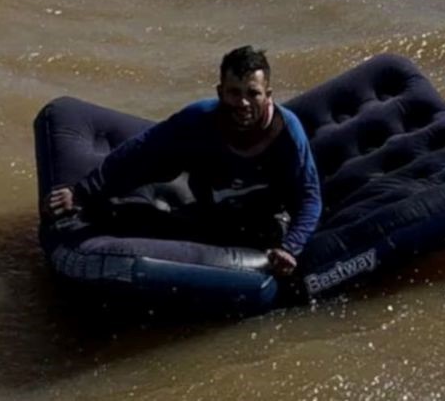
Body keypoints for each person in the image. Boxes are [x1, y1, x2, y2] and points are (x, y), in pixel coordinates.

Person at [47, 46, 322, 277]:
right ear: (220, 92)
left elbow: (309, 197)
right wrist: (82, 192)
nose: (244, 103)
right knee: (139, 190)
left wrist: (290, 246)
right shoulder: (200, 118)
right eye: (234, 92)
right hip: (208, 217)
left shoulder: (287, 133)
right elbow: (138, 151)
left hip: (264, 225)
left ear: (268, 94)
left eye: (253, 93)